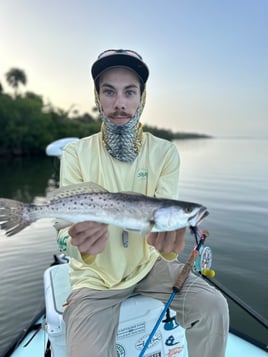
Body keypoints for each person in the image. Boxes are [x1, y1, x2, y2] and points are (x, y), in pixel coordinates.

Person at [57, 49, 229, 357]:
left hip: (151, 267)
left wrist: (168, 248)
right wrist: (79, 246)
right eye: (109, 92)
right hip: (94, 278)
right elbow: (61, 231)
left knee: (214, 306)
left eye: (129, 92)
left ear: (142, 98)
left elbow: (164, 224)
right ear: (97, 97)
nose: (120, 104)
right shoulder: (75, 154)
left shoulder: (164, 152)